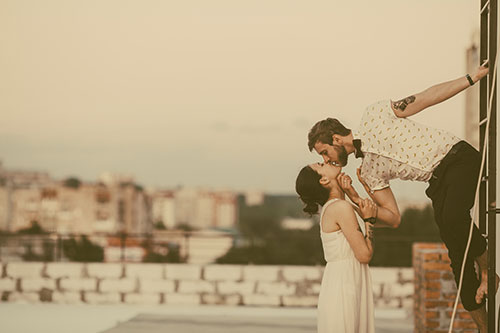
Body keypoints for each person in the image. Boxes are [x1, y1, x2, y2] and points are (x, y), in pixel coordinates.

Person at [306, 61, 498, 332]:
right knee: (456, 254)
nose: (326, 159)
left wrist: (472, 77)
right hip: (437, 182)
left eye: (324, 152)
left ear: (336, 139)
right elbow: (392, 217)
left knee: (454, 218)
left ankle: (489, 271)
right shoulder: (369, 173)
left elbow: (426, 98)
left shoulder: (374, 114)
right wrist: (362, 202)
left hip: (457, 158)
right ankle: (485, 327)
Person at [296, 162, 377, 333]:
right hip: (345, 284)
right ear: (324, 180)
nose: (326, 161)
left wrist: (351, 193)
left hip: (345, 278)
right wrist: (370, 222)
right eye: (320, 164)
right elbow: (364, 255)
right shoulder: (340, 207)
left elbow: (367, 211)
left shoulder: (339, 205)